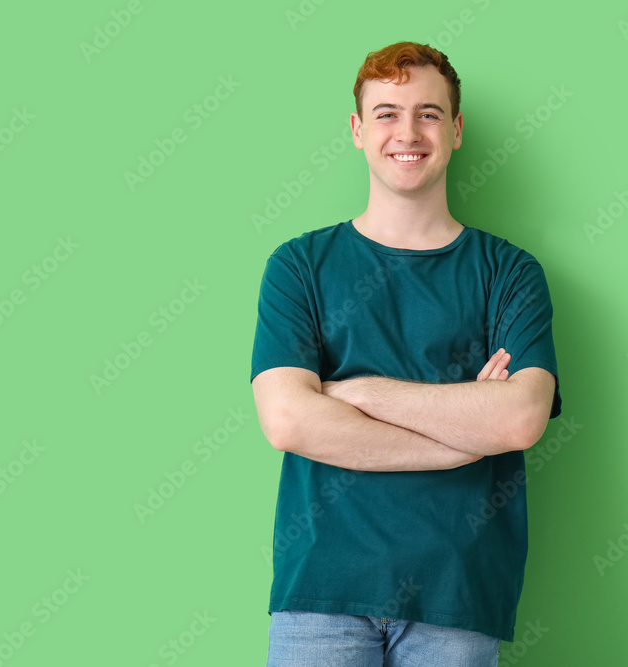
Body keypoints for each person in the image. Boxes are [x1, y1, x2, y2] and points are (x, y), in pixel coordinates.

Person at [249, 41, 562, 666]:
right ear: (358, 131)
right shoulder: (299, 267)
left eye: (429, 112)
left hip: (459, 596)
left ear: (456, 130)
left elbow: (520, 419)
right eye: (387, 113)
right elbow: (288, 421)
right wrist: (467, 434)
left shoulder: (509, 273)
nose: (408, 131)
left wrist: (357, 392)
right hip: (322, 594)